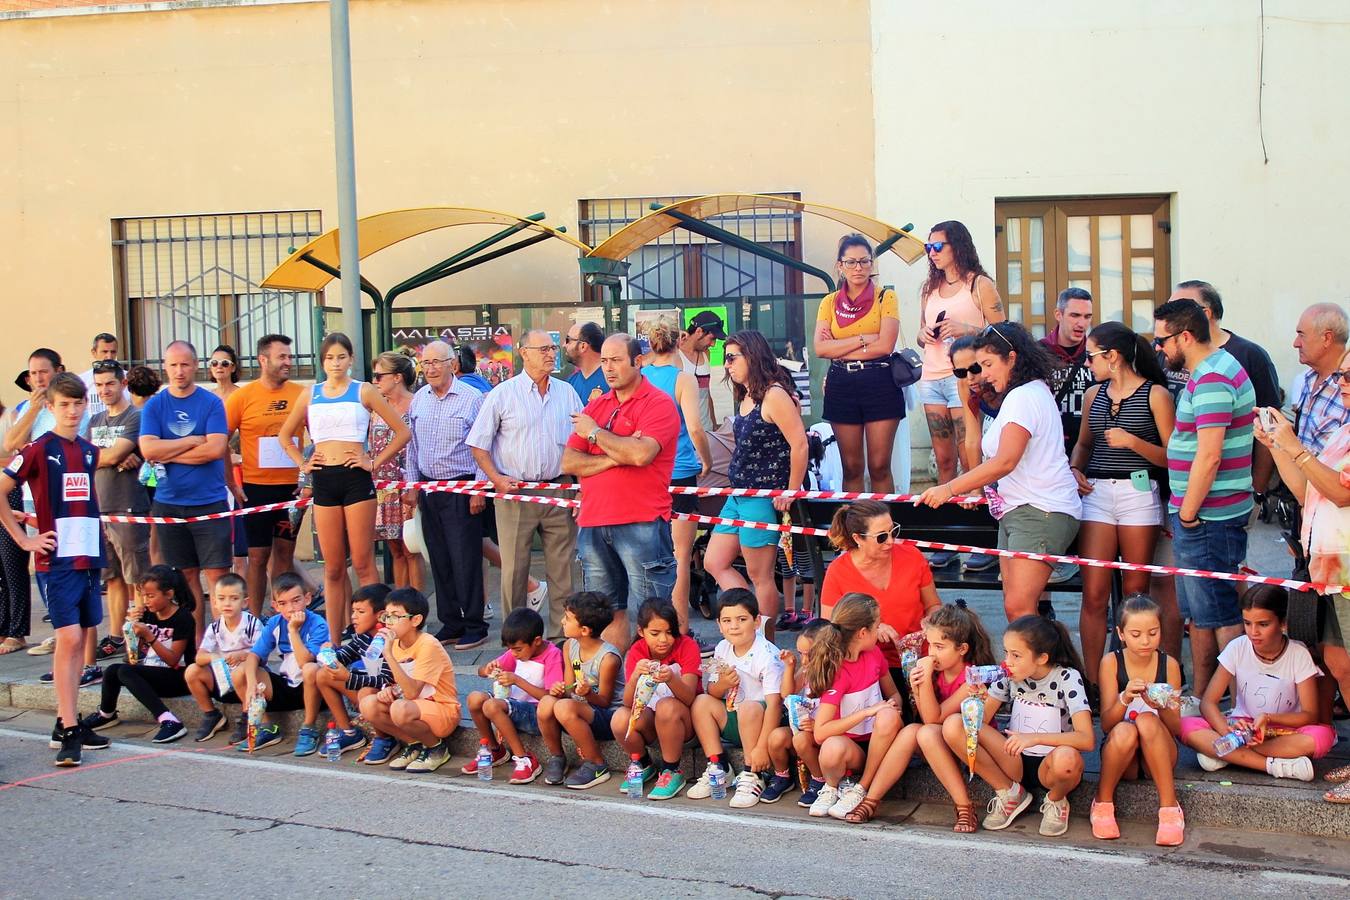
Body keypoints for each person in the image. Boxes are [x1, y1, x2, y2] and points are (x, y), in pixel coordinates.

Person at [917, 323, 1082, 620]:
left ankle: (1039, 665)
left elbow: (1005, 461)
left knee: (1019, 608)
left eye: (989, 364)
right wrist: (975, 487)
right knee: (1018, 608)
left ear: (1013, 358)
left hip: (1039, 511)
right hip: (1019, 510)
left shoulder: (1023, 397)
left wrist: (949, 488)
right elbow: (982, 446)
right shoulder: (1024, 394)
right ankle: (1029, 664)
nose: (984, 374)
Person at [0, 373, 108, 765]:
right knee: (70, 639)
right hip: (56, 560)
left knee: (81, 639)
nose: (72, 410)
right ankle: (67, 727)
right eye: (64, 404)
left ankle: (68, 719)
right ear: (50, 407)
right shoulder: (37, 448)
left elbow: (73, 501)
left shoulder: (89, 450)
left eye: (78, 403)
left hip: (88, 557)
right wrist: (25, 539)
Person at [1069, 322, 1178, 690]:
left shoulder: (1156, 395)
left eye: (1091, 355)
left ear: (1111, 356)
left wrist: (1133, 442)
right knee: (1094, 592)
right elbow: (1084, 444)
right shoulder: (1093, 394)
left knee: (1136, 592)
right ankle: (1094, 682)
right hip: (1096, 492)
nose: (1087, 363)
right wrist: (1074, 470)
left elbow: (1172, 456)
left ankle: (1137, 676)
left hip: (1139, 491)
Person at [1155, 298, 1255, 695]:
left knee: (1220, 613)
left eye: (1162, 339)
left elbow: (1209, 454)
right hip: (1203, 514)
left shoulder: (1213, 377)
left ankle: (1236, 706)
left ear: (1185, 336)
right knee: (1202, 614)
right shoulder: (1210, 370)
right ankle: (1204, 696)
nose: (1158, 348)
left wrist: (1190, 514)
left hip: (1210, 516)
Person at [279, 332, 409, 639]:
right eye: (329, 357)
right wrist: (303, 463)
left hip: (356, 479)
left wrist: (373, 462)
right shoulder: (311, 394)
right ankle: (334, 640)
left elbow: (402, 431)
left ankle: (375, 635)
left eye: (341, 357)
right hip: (324, 480)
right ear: (322, 361)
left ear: (351, 359)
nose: (335, 363)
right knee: (333, 567)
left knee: (364, 562)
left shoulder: (363, 391)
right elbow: (285, 435)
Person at [1253, 363, 1350, 756]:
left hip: (1345, 564)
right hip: (1327, 564)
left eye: (1348, 376)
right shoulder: (1344, 431)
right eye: (1341, 376)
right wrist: (1277, 446)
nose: (1340, 383)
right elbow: (1310, 490)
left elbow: (1343, 494)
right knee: (1337, 663)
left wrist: (1296, 447)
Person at [563, 333, 678, 651]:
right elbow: (570, 460)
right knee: (603, 615)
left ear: (637, 361)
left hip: (641, 521)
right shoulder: (596, 406)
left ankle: (650, 694)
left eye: (616, 360)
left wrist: (596, 435)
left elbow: (642, 455)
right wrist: (618, 453)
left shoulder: (659, 404)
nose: (608, 368)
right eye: (604, 361)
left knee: (651, 617)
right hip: (594, 521)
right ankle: (614, 691)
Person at [468, 330, 581, 630]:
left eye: (553, 347)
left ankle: (561, 637)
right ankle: (516, 638)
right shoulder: (502, 394)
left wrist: (580, 487)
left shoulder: (566, 392)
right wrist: (496, 480)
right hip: (515, 492)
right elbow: (478, 444)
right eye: (542, 348)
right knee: (515, 571)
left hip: (560, 488)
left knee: (563, 570)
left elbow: (582, 441)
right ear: (523, 352)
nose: (550, 353)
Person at [944, 615, 1094, 835]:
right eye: (1006, 653)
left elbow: (1086, 739)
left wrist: (1034, 738)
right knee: (954, 725)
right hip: (1013, 758)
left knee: (1068, 759)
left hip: (1051, 764)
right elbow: (979, 726)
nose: (1008, 661)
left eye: (1016, 655)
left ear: (1042, 658)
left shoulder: (1067, 678)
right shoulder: (1009, 676)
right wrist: (979, 701)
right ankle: (1008, 792)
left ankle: (1056, 800)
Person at [703, 330, 807, 641]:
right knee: (714, 562)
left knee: (760, 576)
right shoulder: (748, 395)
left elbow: (799, 444)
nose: (727, 365)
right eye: (726, 358)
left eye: (733, 358)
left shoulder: (774, 394)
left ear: (752, 356)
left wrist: (791, 490)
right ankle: (749, 623)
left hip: (762, 497)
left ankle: (765, 642)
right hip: (739, 494)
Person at [1180, 586, 1334, 782]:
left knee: (1322, 736)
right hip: (1240, 726)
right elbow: (1208, 703)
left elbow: (1310, 715)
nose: (1254, 632)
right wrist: (1227, 732)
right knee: (1185, 724)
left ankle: (1228, 755)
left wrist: (1267, 718)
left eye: (1263, 624)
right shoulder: (1237, 647)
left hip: (1282, 731)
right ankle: (1275, 765)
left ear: (1283, 623)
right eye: (1247, 623)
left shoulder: (1298, 653)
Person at [397, 338, 486, 649]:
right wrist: (411, 484)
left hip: (462, 486)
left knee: (466, 559)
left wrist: (478, 487)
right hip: (429, 488)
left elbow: (484, 444)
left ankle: (475, 623)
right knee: (439, 558)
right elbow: (412, 446)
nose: (431, 368)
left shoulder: (472, 398)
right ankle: (451, 622)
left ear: (453, 364)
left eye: (438, 362)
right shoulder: (420, 399)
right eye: (427, 363)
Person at [138, 340, 231, 637]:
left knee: (218, 578)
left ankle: (224, 643)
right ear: (165, 367)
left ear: (195, 366)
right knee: (184, 578)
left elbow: (215, 449)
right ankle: (195, 645)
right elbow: (148, 449)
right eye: (173, 365)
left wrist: (168, 451)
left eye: (185, 364)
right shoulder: (155, 405)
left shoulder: (211, 403)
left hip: (209, 501)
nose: (179, 371)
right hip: (168, 502)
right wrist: (192, 441)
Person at [1163, 281, 1280, 494]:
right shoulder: (1167, 350)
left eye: (1177, 307)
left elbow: (1269, 424)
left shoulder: (1249, 355)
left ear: (1205, 314)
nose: (1167, 315)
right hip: (1175, 485)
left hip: (1222, 492)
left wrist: (1258, 489)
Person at [917, 221, 1005, 495]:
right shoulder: (929, 288)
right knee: (943, 459)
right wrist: (925, 334)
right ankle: (946, 513)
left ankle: (975, 504)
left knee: (969, 453)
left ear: (958, 246)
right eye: (928, 246)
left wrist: (966, 330)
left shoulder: (979, 284)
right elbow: (919, 335)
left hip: (964, 377)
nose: (932, 252)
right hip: (932, 376)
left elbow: (1003, 332)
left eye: (938, 245)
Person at [813, 234, 906, 493]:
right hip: (841, 383)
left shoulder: (885, 298)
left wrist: (840, 348)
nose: (858, 268)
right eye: (851, 262)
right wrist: (864, 339)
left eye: (864, 261)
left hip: (880, 381)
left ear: (872, 263)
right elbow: (821, 348)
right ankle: (854, 528)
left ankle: (883, 526)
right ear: (840, 265)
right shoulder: (829, 303)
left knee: (879, 466)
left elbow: (885, 346)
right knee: (851, 466)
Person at [640, 321, 713, 641]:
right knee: (680, 555)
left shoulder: (640, 378)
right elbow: (696, 428)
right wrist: (707, 459)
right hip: (680, 470)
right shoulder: (683, 379)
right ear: (677, 344)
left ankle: (651, 629)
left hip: (646, 470)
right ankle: (680, 628)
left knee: (648, 553)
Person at [1093, 595, 1185, 846]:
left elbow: (1177, 728)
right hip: (1126, 757)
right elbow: (1106, 725)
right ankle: (1102, 801)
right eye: (1136, 634)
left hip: (1161, 751)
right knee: (1125, 730)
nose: (1145, 641)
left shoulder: (1170, 665)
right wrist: (1123, 698)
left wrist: (1161, 706)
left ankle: (1169, 808)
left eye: (1153, 633)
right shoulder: (1111, 662)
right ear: (1121, 634)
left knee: (1146, 719)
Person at [225, 335, 308, 616]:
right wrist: (232, 483)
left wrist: (308, 479)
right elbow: (219, 441)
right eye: (282, 357)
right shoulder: (243, 397)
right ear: (263, 360)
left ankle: (284, 618)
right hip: (255, 488)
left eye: (289, 356)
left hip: (291, 490)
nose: (288, 362)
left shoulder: (301, 394)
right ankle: (254, 619)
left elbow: (320, 437)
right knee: (257, 557)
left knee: (284, 555)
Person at [802, 593, 903, 822]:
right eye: (877, 626)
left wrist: (892, 707)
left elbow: (894, 694)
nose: (880, 631)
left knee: (887, 715)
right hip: (852, 748)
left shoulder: (875, 654)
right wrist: (867, 712)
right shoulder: (837, 669)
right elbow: (821, 732)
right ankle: (831, 787)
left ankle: (861, 789)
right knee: (831, 747)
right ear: (863, 633)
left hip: (881, 740)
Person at [820, 500, 940, 679]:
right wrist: (873, 629)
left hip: (920, 658)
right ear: (857, 538)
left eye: (893, 531)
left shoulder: (912, 556)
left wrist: (932, 621)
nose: (891, 541)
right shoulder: (838, 571)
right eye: (881, 537)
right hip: (869, 665)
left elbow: (934, 605)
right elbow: (829, 629)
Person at [687, 589, 785, 807]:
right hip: (735, 718)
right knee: (701, 702)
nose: (734, 626)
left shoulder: (767, 656)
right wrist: (723, 684)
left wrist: (761, 748)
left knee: (749, 707)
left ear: (757, 621)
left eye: (742, 619)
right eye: (727, 621)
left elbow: (775, 705)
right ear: (719, 625)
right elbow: (712, 691)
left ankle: (753, 774)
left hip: (762, 725)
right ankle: (719, 765)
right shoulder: (722, 648)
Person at [79, 565, 197, 744]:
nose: (146, 601)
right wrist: (132, 627)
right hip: (153, 670)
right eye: (143, 596)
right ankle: (106, 713)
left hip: (179, 676)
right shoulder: (149, 614)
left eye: (151, 596)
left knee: (126, 672)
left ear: (169, 594)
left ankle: (169, 720)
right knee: (112, 670)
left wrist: (149, 636)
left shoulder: (183, 617)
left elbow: (173, 659)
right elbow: (135, 654)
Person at [910, 603, 999, 833]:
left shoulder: (971, 677)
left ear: (962, 649)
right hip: (949, 742)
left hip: (976, 748)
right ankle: (869, 796)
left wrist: (924, 681)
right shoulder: (939, 673)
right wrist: (918, 686)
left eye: (939, 646)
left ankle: (965, 806)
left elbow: (934, 716)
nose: (931, 653)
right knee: (918, 732)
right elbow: (926, 718)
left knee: (930, 729)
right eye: (930, 645)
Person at [88, 362, 152, 665]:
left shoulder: (136, 417)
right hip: (99, 508)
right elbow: (86, 456)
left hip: (128, 506)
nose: (104, 391)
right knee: (112, 578)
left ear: (123, 383)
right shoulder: (95, 419)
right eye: (99, 385)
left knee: (137, 578)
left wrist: (110, 456)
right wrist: (109, 458)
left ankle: (140, 637)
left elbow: (108, 454)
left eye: (109, 384)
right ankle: (116, 637)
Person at [359, 587, 461, 773]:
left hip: (442, 709)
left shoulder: (428, 644)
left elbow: (412, 692)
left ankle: (436, 748)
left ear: (416, 620)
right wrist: (387, 689)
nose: (389, 623)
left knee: (399, 708)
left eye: (396, 616)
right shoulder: (395, 644)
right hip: (413, 706)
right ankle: (414, 744)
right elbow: (399, 685)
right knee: (368, 703)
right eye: (386, 616)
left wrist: (388, 655)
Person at [611, 598, 704, 801]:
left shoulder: (687, 646)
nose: (663, 640)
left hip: (685, 725)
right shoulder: (637, 650)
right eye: (655, 633)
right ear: (641, 631)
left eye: (669, 632)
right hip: (652, 725)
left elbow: (689, 697)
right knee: (619, 718)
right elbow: (628, 703)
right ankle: (642, 763)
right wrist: (636, 675)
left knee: (666, 706)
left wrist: (671, 678)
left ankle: (671, 769)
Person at [462, 608, 564, 785]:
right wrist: (487, 669)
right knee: (474, 698)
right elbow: (481, 671)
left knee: (491, 706)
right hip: (513, 706)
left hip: (536, 714)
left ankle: (524, 759)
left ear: (537, 641)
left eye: (517, 649)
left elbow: (550, 697)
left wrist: (517, 680)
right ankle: (494, 750)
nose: (514, 654)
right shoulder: (515, 652)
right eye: (510, 650)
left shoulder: (552, 655)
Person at [233, 572, 330, 751]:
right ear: (275, 606)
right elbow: (254, 656)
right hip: (287, 686)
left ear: (307, 599)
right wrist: (252, 684)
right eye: (283, 603)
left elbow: (304, 662)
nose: (291, 609)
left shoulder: (318, 623)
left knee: (310, 668)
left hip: (314, 689)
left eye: (296, 600)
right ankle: (268, 727)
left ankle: (308, 728)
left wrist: (293, 631)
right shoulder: (274, 623)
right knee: (241, 672)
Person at [537, 591, 624, 789]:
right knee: (547, 703)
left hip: (608, 716)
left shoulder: (608, 658)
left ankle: (597, 764)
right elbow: (569, 689)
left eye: (567, 618)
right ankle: (557, 757)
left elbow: (605, 701)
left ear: (584, 629)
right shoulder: (569, 646)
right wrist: (560, 690)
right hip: (581, 707)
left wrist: (587, 694)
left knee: (564, 708)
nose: (562, 621)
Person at [294, 582, 391, 757]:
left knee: (366, 691)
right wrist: (329, 653)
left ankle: (384, 739)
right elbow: (344, 656)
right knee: (323, 674)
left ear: (381, 615)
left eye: (361, 612)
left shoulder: (390, 639)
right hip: (371, 696)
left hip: (391, 696)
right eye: (353, 611)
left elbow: (385, 679)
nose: (354, 617)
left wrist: (349, 678)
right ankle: (349, 732)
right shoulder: (363, 637)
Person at [184, 572, 260, 743]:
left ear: (245, 602)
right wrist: (214, 657)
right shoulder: (215, 628)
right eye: (222, 598)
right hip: (224, 681)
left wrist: (243, 655)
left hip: (248, 682)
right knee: (192, 671)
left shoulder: (253, 624)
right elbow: (199, 657)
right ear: (215, 602)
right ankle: (212, 714)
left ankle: (248, 714)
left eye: (234, 598)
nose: (227, 603)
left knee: (242, 669)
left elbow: (261, 656)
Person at [368, 351, 422, 592]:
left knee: (412, 548)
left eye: (380, 376)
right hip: (383, 487)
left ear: (397, 377)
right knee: (395, 551)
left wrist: (415, 486)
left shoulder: (418, 404)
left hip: (408, 484)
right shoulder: (376, 408)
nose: (375, 381)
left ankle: (417, 609)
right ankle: (399, 607)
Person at [762, 618, 831, 806]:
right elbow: (786, 693)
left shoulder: (835, 673)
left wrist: (818, 725)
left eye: (809, 654)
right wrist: (790, 666)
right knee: (776, 737)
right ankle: (782, 776)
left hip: (826, 733)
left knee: (800, 740)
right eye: (801, 654)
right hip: (804, 729)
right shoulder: (808, 669)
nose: (805, 659)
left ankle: (819, 780)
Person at [208, 344, 248, 579]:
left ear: (233, 367)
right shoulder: (207, 398)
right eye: (214, 363)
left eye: (224, 363)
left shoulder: (242, 396)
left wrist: (238, 458)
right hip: (213, 473)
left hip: (240, 472)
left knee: (242, 544)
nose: (219, 367)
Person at [1040, 288, 1095, 456]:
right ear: (1058, 314)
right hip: (1048, 449)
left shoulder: (1098, 353)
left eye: (1087, 317)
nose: (1082, 324)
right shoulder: (1038, 353)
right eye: (1075, 315)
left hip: (1090, 450)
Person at [1290, 302, 1350, 455]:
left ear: (1327, 338)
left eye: (1301, 335)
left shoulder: (1345, 390)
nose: (1295, 343)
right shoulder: (1307, 380)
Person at [680, 310, 725, 431]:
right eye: (712, 338)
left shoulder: (706, 354)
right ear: (699, 331)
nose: (713, 344)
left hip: (706, 429)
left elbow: (707, 393)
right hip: (684, 433)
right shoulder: (675, 354)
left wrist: (714, 424)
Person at [77, 332, 122, 418]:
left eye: (113, 352)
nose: (109, 356)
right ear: (94, 353)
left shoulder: (126, 378)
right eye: (104, 352)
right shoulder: (81, 381)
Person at [564, 321, 607, 404]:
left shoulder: (611, 379)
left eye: (568, 340)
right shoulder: (571, 382)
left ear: (583, 346)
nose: (564, 345)